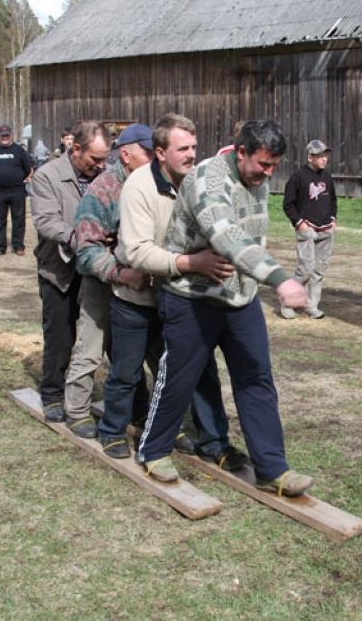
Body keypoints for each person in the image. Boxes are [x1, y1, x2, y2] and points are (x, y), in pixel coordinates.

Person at [135, 119, 314, 496]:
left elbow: (253, 236)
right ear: (241, 151)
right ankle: (154, 450)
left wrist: (255, 280)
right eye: (263, 164)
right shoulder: (208, 179)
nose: (268, 173)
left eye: (274, 165)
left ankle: (272, 469)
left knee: (257, 377)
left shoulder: (257, 180)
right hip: (191, 296)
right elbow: (228, 235)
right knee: (182, 376)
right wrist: (280, 278)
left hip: (239, 298)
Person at [101, 114, 239, 462]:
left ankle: (214, 442)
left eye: (195, 146)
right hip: (138, 296)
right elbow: (136, 251)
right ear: (160, 153)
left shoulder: (200, 183)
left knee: (199, 370)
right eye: (183, 148)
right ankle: (113, 431)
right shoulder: (138, 187)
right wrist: (193, 263)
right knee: (127, 371)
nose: (193, 154)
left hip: (183, 296)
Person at [62, 124, 154, 438]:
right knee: (90, 347)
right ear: (126, 155)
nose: (156, 157)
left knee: (132, 356)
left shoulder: (155, 184)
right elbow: (85, 250)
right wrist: (120, 269)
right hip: (103, 283)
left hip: (139, 286)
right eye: (149, 152)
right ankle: (75, 411)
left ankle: (141, 410)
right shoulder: (103, 189)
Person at [31, 121, 110, 422]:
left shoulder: (106, 177)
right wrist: (81, 237)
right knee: (60, 334)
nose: (101, 165)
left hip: (97, 269)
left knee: (105, 335)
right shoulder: (47, 176)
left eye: (105, 159)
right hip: (58, 271)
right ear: (75, 149)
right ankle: (52, 393)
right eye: (95, 159)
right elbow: (46, 220)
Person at [281, 139, 337, 319]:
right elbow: (288, 204)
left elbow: (333, 199)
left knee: (319, 270)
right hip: (307, 229)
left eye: (325, 155)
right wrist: (300, 223)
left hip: (326, 229)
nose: (324, 159)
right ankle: (286, 301)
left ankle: (311, 305)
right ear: (310, 157)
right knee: (306, 269)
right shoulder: (298, 177)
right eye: (320, 156)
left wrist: (333, 219)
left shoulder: (327, 177)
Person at [0, 124, 33, 257]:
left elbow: (27, 168)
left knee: (18, 219)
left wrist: (17, 180)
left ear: (11, 135)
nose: (5, 137)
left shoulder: (19, 151)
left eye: (7, 135)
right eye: (2, 135)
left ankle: (18, 245)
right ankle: (0, 246)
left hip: (17, 190)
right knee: (0, 220)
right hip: (0, 191)